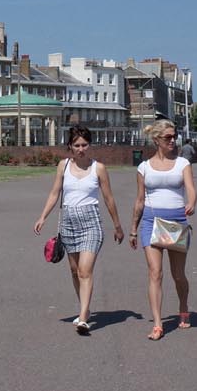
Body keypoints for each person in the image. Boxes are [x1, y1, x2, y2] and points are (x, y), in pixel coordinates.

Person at [33, 125, 125, 335]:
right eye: (77, 145)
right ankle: (85, 307)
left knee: (85, 270)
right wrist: (42, 216)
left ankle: (83, 317)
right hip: (68, 222)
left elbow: (109, 198)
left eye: (84, 145)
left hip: (91, 222)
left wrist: (118, 226)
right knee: (75, 271)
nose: (81, 149)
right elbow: (55, 193)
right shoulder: (63, 166)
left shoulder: (98, 168)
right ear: (70, 146)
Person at [132, 119, 196, 340]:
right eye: (168, 137)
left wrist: (191, 203)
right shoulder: (144, 167)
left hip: (177, 221)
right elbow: (139, 200)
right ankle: (158, 324)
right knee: (155, 273)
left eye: (174, 136)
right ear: (156, 140)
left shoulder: (182, 164)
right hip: (151, 221)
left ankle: (183, 306)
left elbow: (190, 188)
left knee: (178, 275)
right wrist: (133, 229)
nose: (173, 140)